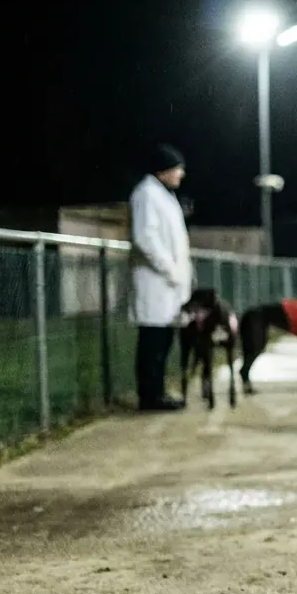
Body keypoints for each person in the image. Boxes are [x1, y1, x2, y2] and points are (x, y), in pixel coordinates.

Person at [128, 142, 193, 412]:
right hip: (155, 282)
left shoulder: (163, 195)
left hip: (169, 285)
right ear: (163, 170)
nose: (181, 174)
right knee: (152, 343)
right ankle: (149, 397)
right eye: (178, 169)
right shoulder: (146, 194)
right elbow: (146, 237)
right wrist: (170, 268)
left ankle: (157, 392)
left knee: (163, 342)